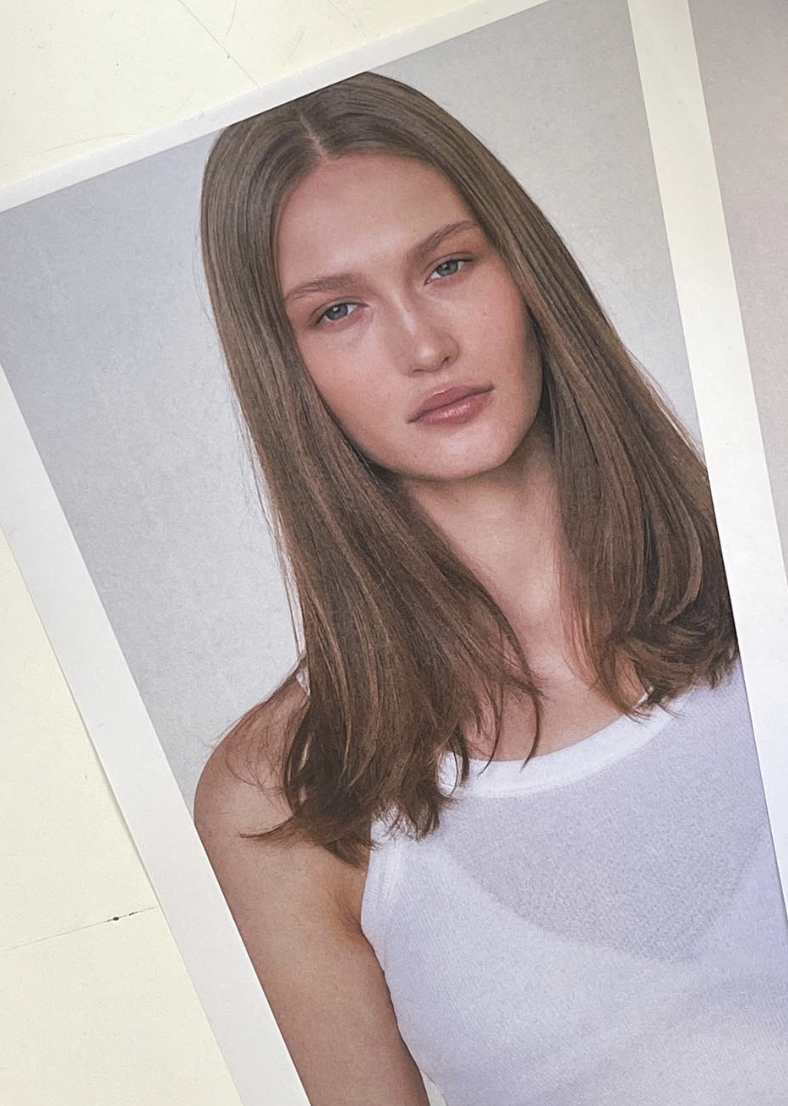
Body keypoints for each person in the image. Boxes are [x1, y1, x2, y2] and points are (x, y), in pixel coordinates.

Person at [194, 72, 788, 1105]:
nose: (424, 345)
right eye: (338, 310)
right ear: (283, 369)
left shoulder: (765, 579)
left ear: (524, 271)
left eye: (448, 265)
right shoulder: (284, 793)